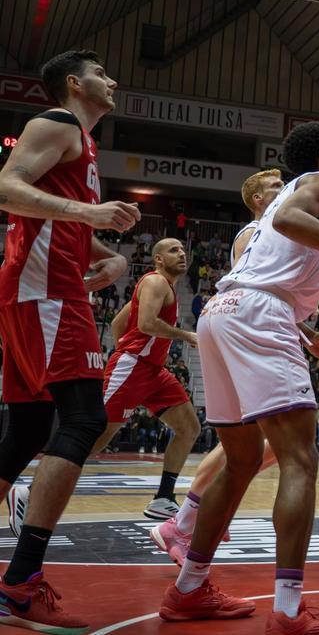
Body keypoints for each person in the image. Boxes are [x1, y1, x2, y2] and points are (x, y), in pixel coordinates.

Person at [156, 122, 319, 634]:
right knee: (299, 460)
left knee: (241, 461)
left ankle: (188, 588)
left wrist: (309, 336)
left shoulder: (273, 207)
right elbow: (291, 225)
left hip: (221, 312)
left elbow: (267, 266)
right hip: (258, 313)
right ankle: (288, 610)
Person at [0, 50, 141, 633]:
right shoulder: (56, 124)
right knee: (83, 419)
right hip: (47, 293)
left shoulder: (83, 146)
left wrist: (111, 257)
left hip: (43, 291)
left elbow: (60, 222)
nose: (113, 79)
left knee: (30, 428)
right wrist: (88, 211)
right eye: (102, 73)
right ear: (74, 83)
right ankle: (20, 580)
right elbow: (7, 188)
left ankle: (16, 581)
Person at [149, 169, 319, 566]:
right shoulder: (254, 233)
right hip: (249, 326)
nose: (283, 191)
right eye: (274, 189)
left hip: (263, 326)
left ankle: (189, 520)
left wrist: (309, 338)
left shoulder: (280, 236)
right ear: (258, 200)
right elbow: (249, 284)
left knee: (269, 448)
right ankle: (184, 520)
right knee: (267, 447)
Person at [94, 239, 199, 520]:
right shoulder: (154, 282)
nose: (182, 253)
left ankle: (163, 498)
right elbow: (146, 325)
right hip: (134, 366)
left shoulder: (165, 287)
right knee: (97, 435)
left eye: (182, 249)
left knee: (189, 428)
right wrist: (185, 335)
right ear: (158, 259)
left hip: (154, 371)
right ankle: (36, 489)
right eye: (174, 250)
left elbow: (119, 323)